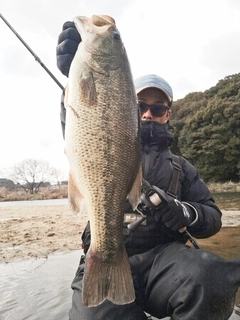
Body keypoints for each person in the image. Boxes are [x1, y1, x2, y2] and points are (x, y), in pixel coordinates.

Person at [56, 21, 240, 320]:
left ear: (168, 114)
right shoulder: (107, 135)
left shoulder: (183, 167)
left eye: (158, 108)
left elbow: (213, 219)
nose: (148, 113)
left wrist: (185, 212)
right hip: (106, 255)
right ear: (127, 102)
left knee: (211, 277)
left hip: (165, 261)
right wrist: (72, 79)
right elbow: (80, 123)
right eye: (141, 104)